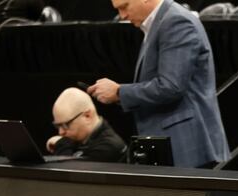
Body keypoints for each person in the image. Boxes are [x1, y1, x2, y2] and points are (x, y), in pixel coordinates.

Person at [88, 0, 229, 168]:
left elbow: (171, 86)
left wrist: (119, 92)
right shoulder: (161, 22)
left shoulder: (175, 21)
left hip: (189, 147)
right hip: (178, 147)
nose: (122, 15)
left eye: (125, 6)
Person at [46, 87, 127, 162]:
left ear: (87, 116)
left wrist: (61, 145)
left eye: (65, 125)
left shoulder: (108, 147)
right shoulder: (80, 139)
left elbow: (69, 174)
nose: (61, 132)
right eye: (58, 126)